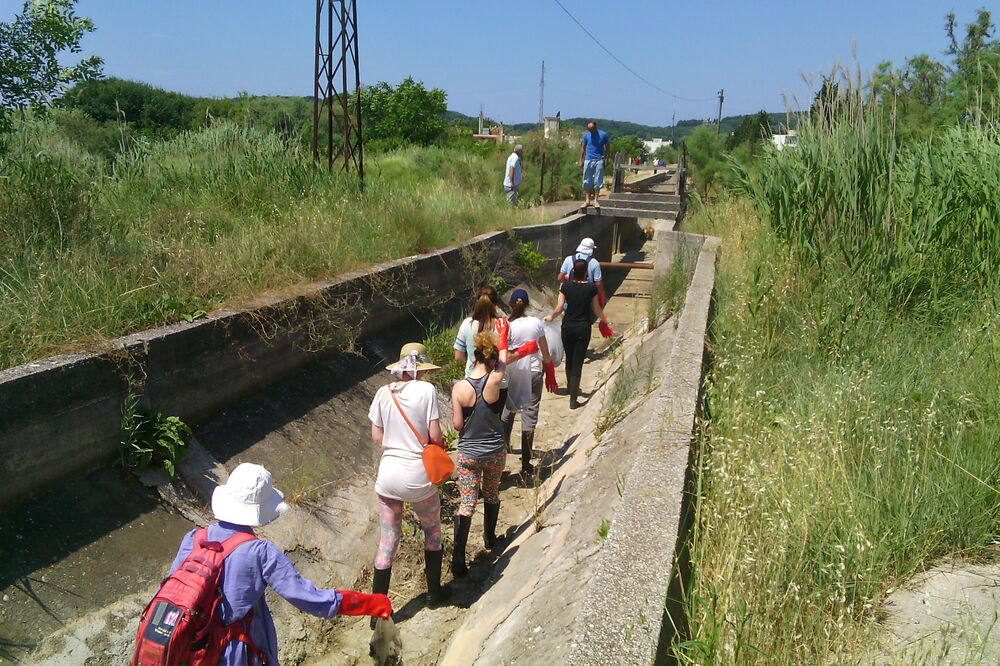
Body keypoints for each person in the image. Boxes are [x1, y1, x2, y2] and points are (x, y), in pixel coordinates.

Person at [165, 463, 391, 665]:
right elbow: (308, 598)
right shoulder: (259, 552)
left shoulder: (194, 539)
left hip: (191, 647)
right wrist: (369, 603)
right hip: (234, 652)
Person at [367, 342, 449, 624]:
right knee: (432, 532)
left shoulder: (382, 392)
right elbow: (435, 435)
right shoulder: (427, 391)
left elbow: (377, 438)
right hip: (418, 477)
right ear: (422, 369)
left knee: (387, 542)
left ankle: (378, 613)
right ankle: (434, 595)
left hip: (388, 476)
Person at [450, 331, 507, 577]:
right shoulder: (495, 380)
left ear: (473, 357)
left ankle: (458, 558)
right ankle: (490, 539)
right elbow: (503, 359)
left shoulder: (459, 388)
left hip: (468, 455)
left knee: (467, 503)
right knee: (491, 493)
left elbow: (457, 425)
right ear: (492, 359)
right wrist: (501, 341)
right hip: (494, 450)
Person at [501, 289, 558, 475]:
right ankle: (526, 463)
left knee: (507, 412)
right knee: (530, 412)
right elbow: (545, 351)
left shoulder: (504, 326)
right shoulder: (535, 323)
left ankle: (502, 453)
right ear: (527, 305)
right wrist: (550, 371)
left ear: (510, 305)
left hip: (510, 373)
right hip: (533, 371)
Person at [545, 259, 611, 409]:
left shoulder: (566, 287)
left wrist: (551, 317)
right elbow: (596, 308)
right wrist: (603, 319)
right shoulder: (591, 288)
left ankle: (570, 388)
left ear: (573, 271)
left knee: (569, 358)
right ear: (586, 272)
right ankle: (573, 400)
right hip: (583, 327)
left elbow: (559, 307)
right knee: (578, 362)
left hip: (567, 327)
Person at [454, 284, 510, 410]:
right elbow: (505, 354)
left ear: (477, 302)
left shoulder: (466, 324)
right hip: (498, 382)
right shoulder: (502, 325)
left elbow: (458, 357)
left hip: (471, 379)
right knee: (495, 422)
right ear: (496, 303)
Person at [557, 237, 605, 302]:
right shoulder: (594, 263)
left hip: (570, 295)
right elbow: (598, 284)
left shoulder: (568, 259)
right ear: (591, 249)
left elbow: (560, 278)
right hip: (586, 296)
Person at [578, 120, 610, 212]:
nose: (590, 131)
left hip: (599, 160)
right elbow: (583, 148)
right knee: (586, 180)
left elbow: (608, 147)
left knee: (598, 180)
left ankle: (596, 200)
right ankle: (587, 200)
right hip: (588, 160)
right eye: (589, 129)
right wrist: (580, 160)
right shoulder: (586, 136)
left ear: (595, 127)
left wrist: (606, 159)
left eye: (591, 129)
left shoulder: (603, 135)